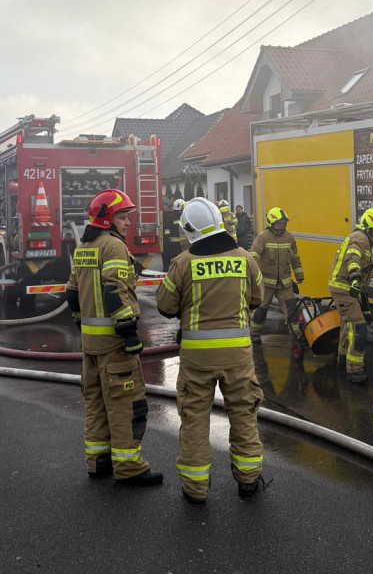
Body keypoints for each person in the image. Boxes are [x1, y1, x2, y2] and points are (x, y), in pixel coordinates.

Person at [156, 197, 266, 503]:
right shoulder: (245, 259)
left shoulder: (182, 263)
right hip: (238, 357)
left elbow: (165, 306)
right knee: (243, 415)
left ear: (189, 230)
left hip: (196, 359)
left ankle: (195, 489)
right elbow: (258, 298)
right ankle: (248, 480)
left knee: (194, 419)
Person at [64, 189, 163, 487]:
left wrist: (83, 325)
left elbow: (71, 293)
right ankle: (129, 467)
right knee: (125, 406)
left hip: (91, 347)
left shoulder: (84, 248)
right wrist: (130, 336)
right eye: (123, 217)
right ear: (107, 219)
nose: (128, 223)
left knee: (95, 403)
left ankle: (98, 461)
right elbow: (114, 293)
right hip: (114, 346)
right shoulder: (113, 247)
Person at [328, 208, 373, 384]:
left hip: (348, 288)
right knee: (358, 328)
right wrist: (354, 278)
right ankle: (354, 370)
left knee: (348, 326)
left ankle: (342, 359)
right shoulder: (360, 238)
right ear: (368, 227)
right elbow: (352, 257)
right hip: (345, 287)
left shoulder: (364, 239)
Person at [249, 207, 304, 342]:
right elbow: (253, 257)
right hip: (266, 283)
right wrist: (253, 278)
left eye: (284, 223)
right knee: (261, 309)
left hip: (284, 282)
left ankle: (297, 336)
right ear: (271, 223)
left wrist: (299, 275)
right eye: (279, 223)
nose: (282, 225)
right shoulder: (263, 237)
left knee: (291, 309)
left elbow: (295, 257)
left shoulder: (289, 237)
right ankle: (254, 333)